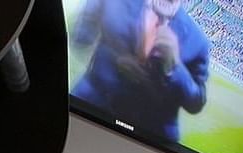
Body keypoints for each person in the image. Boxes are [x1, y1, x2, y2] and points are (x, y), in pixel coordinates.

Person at [71, 0, 210, 145]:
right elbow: (80, 39)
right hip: (87, 112)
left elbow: (196, 103)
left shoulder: (198, 42)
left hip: (151, 141)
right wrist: (118, 59)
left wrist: (174, 66)